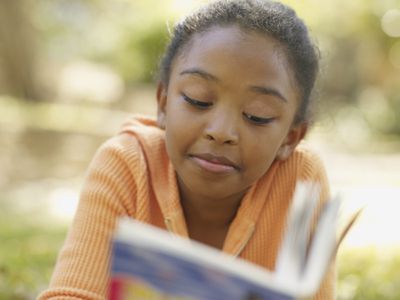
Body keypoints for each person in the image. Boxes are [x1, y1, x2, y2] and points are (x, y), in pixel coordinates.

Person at [38, 0, 335, 299]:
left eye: (258, 115)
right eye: (198, 99)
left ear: (291, 137)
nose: (220, 132)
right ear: (163, 103)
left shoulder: (301, 180)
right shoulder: (127, 163)